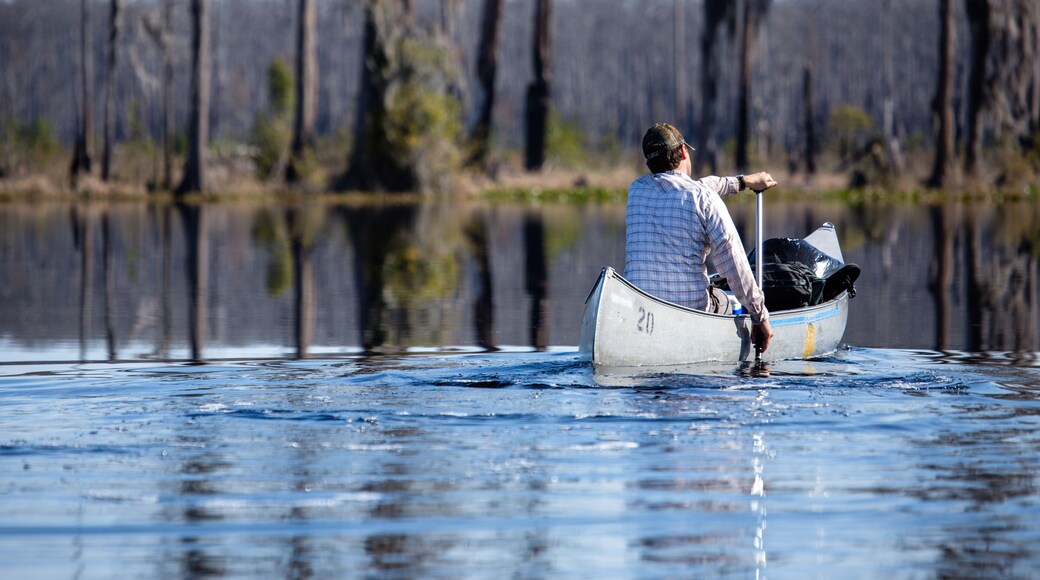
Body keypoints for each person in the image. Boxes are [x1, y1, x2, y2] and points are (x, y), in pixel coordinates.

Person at [624, 123, 776, 354]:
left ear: (649, 163)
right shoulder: (703, 199)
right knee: (728, 299)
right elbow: (733, 264)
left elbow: (693, 187)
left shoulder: (636, 191)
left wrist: (743, 182)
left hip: (641, 313)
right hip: (691, 314)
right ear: (683, 151)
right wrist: (759, 316)